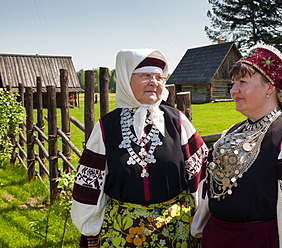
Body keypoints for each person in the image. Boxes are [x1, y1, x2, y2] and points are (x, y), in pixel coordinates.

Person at [191, 44, 282, 247]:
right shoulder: (231, 132)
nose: (234, 90)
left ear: (270, 87)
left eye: (243, 82)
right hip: (218, 238)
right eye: (233, 83)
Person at [71, 49, 208, 248]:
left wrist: (201, 225)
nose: (154, 82)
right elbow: (91, 184)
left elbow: (201, 176)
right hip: (122, 230)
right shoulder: (106, 127)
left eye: (159, 77)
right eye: (145, 76)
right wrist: (89, 229)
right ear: (127, 79)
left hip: (176, 229)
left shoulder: (178, 121)